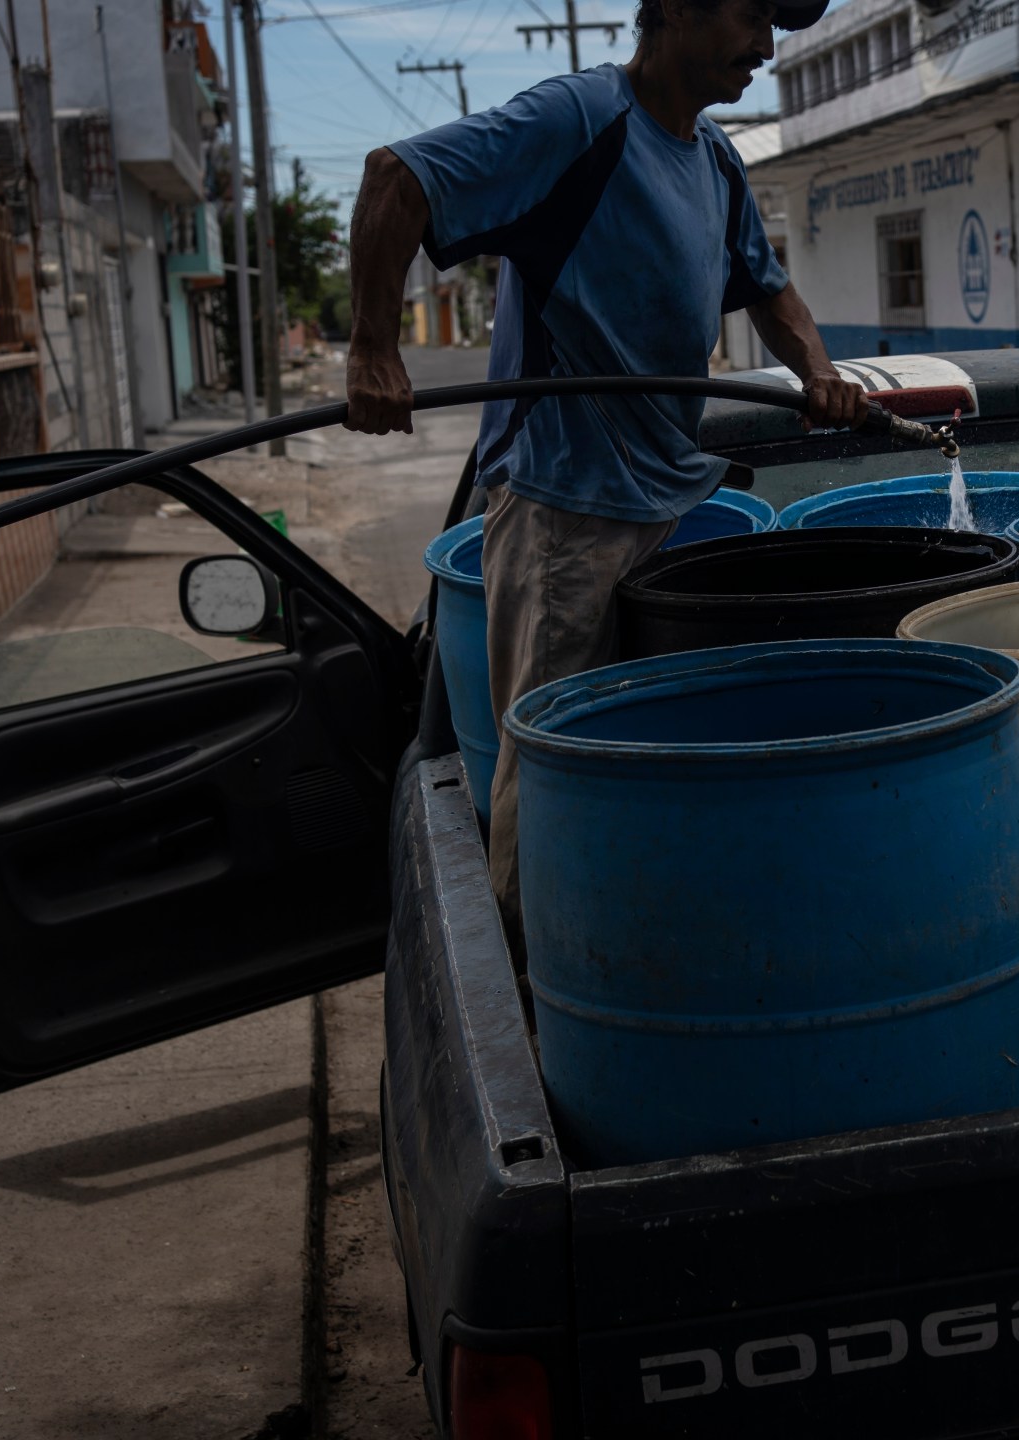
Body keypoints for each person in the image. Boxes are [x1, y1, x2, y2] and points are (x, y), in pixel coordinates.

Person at [343, 0, 865, 951]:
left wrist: (819, 374)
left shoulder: (711, 158)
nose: (766, 47)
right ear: (672, 9)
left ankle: (622, 953)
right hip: (566, 518)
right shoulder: (579, 120)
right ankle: (535, 996)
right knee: (550, 779)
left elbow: (769, 286)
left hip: (667, 508)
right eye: (752, 15)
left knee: (634, 767)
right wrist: (374, 351)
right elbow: (396, 179)